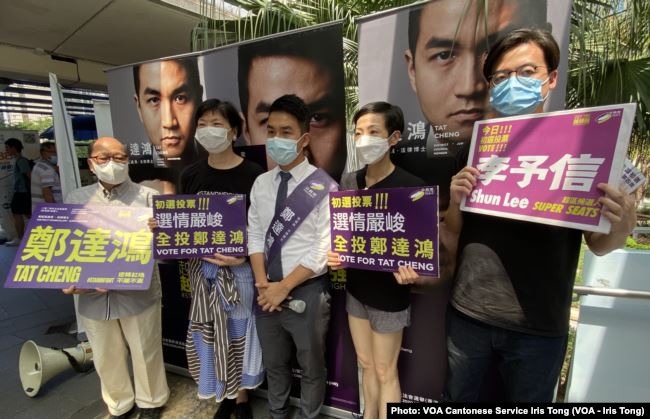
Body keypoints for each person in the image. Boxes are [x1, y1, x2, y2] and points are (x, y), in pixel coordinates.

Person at [445, 29, 637, 402]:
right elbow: (453, 231)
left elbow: (599, 245)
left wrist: (623, 224)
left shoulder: (585, 145)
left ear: (550, 79)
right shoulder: (475, 146)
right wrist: (455, 201)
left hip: (539, 326)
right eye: (500, 77)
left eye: (527, 72)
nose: (512, 83)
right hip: (468, 315)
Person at [327, 102, 435, 419]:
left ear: (394, 137)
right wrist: (336, 255)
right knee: (365, 363)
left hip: (390, 295)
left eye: (373, 132)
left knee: (387, 370)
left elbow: (422, 251)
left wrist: (415, 272)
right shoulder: (348, 182)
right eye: (358, 132)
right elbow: (343, 236)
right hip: (357, 290)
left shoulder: (412, 187)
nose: (364, 139)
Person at [63, 137, 169, 419]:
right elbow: (65, 247)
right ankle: (119, 404)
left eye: (121, 157)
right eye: (104, 157)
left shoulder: (148, 197)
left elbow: (167, 251)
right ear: (91, 163)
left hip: (138, 293)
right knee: (105, 354)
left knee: (146, 349)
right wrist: (66, 278)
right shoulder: (76, 198)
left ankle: (151, 401)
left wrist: (161, 233)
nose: (113, 163)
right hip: (92, 294)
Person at [247, 94, 336, 419]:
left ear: (304, 139)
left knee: (311, 364)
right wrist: (262, 284)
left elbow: (322, 248)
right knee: (275, 364)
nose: (276, 139)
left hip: (306, 292)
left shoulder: (324, 187)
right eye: (271, 131)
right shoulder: (261, 183)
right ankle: (277, 412)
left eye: (286, 132)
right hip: (265, 291)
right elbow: (254, 234)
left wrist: (283, 287)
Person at [178, 99, 265, 419]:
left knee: (240, 332)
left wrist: (242, 255)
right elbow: (183, 223)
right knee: (210, 333)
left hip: (239, 273)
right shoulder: (190, 175)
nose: (208, 130)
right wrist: (163, 227)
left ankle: (241, 396)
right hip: (203, 274)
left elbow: (262, 226)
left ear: (234, 131)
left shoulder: (254, 174)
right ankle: (223, 394)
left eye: (216, 124)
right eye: (202, 124)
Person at [405, 0, 548, 155]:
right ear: (413, 70)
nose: (469, 87)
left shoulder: (562, 152)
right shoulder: (402, 164)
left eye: (495, 52)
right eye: (444, 55)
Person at [238, 28, 346, 180]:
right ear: (247, 132)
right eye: (270, 125)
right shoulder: (260, 187)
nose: (300, 149)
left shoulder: (346, 196)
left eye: (317, 117)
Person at [132, 58, 206, 192]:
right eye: (154, 100)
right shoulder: (130, 177)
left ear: (199, 99)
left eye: (180, 98)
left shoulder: (215, 165)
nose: (169, 122)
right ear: (139, 107)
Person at [4, 137, 31, 246]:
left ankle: (20, 238)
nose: (6, 151)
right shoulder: (19, 160)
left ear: (14, 148)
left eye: (7, 148)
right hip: (22, 192)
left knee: (18, 214)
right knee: (28, 214)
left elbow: (30, 175)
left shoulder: (21, 161)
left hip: (22, 193)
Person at [31, 141, 62, 211]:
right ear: (43, 153)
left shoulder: (39, 165)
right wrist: (55, 210)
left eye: (56, 152)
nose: (55, 154)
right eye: (51, 152)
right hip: (48, 211)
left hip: (40, 210)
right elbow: (47, 192)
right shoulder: (47, 169)